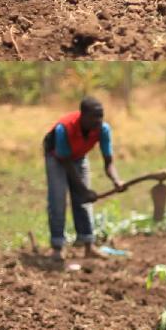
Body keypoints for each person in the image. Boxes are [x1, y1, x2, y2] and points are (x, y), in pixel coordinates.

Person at [43, 96, 122, 262]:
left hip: (78, 157)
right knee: (58, 199)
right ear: (83, 116)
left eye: (101, 117)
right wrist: (84, 191)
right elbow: (65, 162)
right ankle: (57, 247)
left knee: (84, 203)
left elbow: (108, 162)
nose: (98, 121)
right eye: (94, 117)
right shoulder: (63, 129)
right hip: (57, 158)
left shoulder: (103, 129)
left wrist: (116, 180)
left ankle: (88, 245)